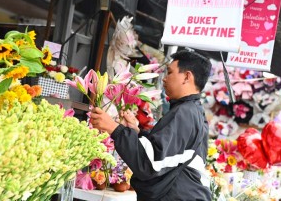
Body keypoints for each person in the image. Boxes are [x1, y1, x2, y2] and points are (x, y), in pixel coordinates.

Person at [90, 49, 212, 201]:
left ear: (187, 77)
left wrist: (114, 129)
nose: (164, 79)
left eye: (169, 72)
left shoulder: (185, 112)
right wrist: (137, 132)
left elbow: (150, 164)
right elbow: (166, 153)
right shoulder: (192, 110)